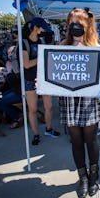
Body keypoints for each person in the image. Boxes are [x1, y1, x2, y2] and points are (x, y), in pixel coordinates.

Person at [59, 8, 100, 198]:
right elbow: (54, 71)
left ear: (87, 25)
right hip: (69, 99)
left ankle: (94, 176)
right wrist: (43, 81)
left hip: (89, 99)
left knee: (90, 139)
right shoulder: (61, 46)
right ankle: (83, 177)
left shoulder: (95, 46)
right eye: (71, 22)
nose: (74, 26)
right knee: (75, 141)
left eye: (78, 22)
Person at [22, 17, 60, 146]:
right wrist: (43, 57)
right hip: (29, 79)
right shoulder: (24, 43)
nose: (44, 31)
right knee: (32, 109)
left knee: (48, 106)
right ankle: (36, 134)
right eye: (42, 28)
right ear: (35, 27)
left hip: (44, 78)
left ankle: (48, 129)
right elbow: (26, 64)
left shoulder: (42, 41)